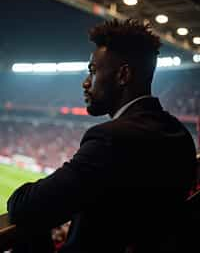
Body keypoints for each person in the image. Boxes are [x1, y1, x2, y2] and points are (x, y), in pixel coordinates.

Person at [7, 19, 197, 253]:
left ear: (123, 75)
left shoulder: (110, 139)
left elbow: (24, 206)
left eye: (93, 71)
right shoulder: (179, 134)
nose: (85, 83)